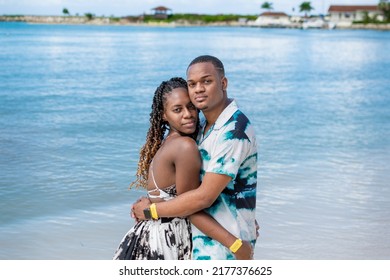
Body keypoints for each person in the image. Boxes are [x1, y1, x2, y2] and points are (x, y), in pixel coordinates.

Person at [133, 55, 258, 260]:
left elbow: (202, 197)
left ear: (223, 83)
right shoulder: (202, 131)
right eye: (192, 84)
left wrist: (151, 211)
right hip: (207, 241)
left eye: (206, 81)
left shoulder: (233, 130)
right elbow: (191, 193)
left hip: (227, 243)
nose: (198, 89)